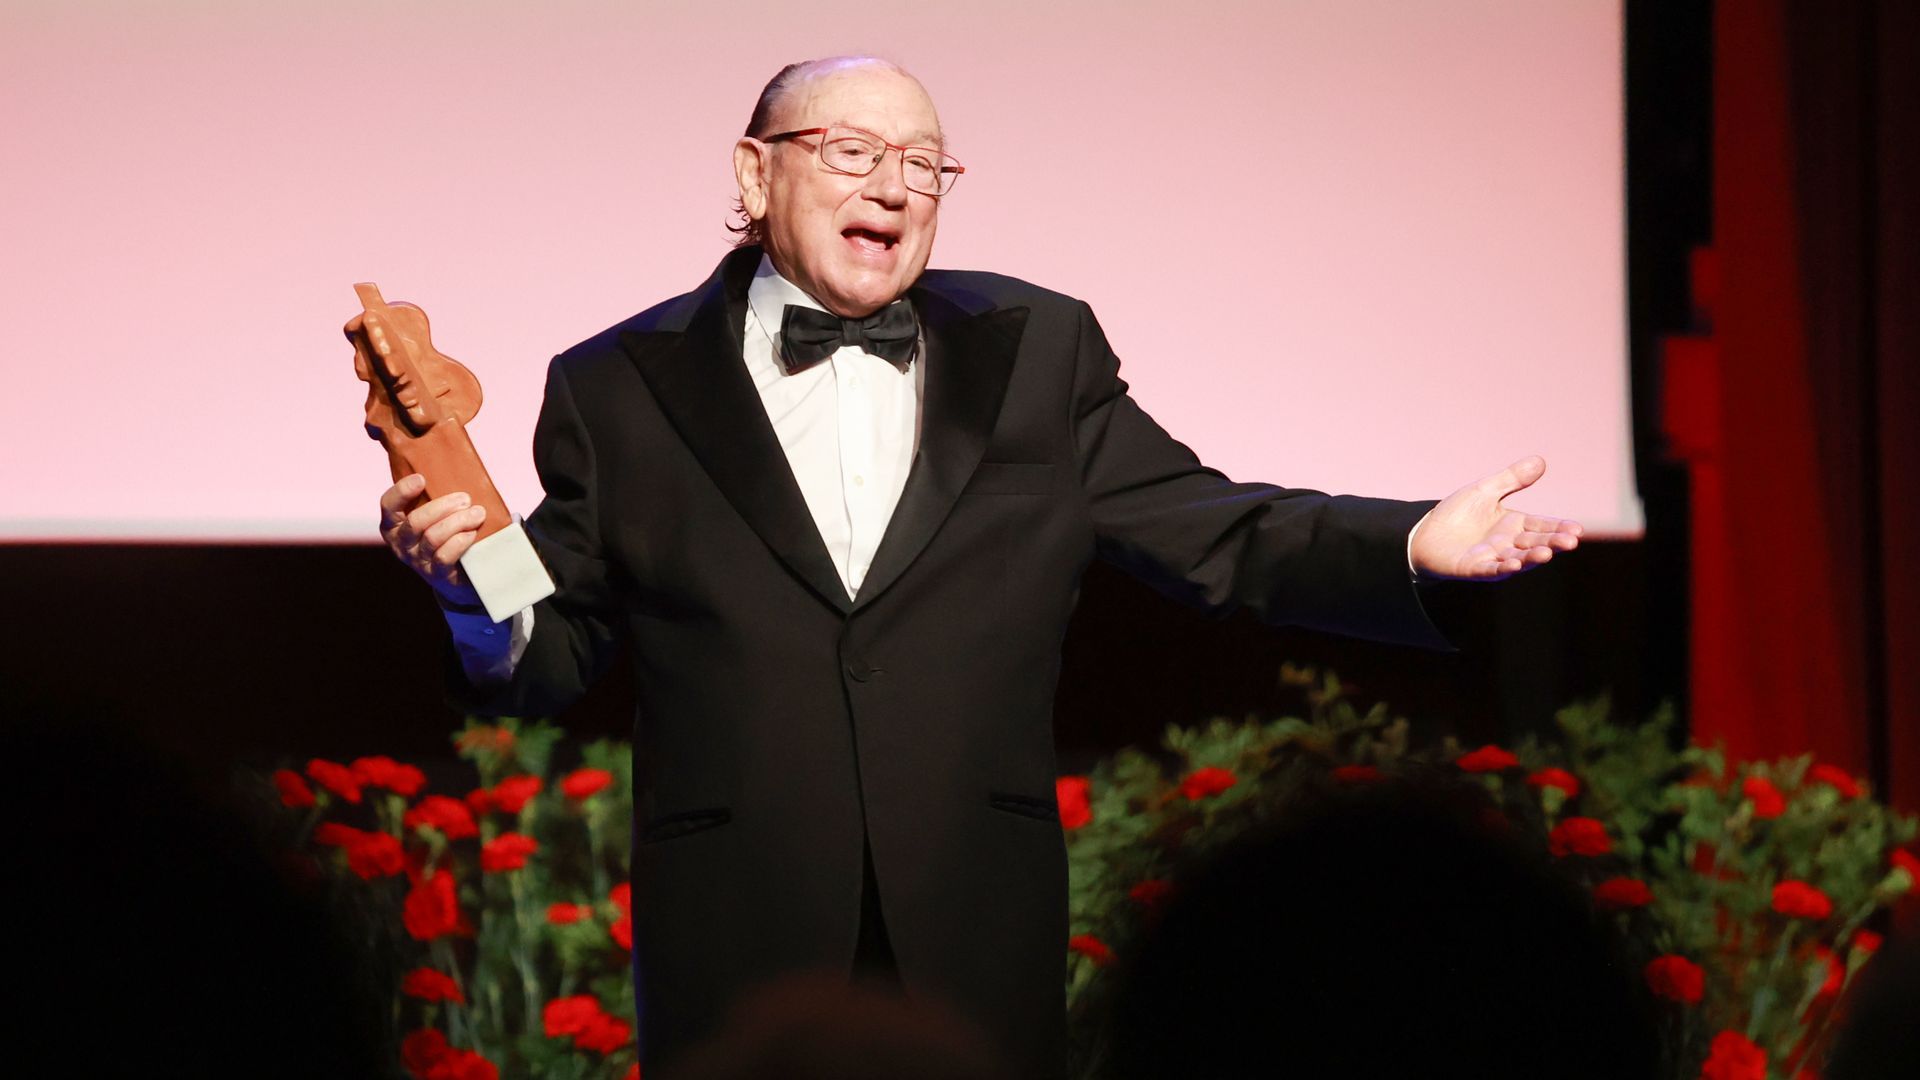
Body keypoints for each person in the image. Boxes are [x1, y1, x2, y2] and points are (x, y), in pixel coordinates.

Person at [376, 56, 1583, 1078]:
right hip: (736, 925)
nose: (894, 187)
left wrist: (1410, 539)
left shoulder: (1036, 351)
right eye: (851, 152)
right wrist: (469, 594)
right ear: (754, 174)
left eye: (924, 164)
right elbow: (558, 646)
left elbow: (1209, 524)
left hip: (973, 916)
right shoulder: (618, 384)